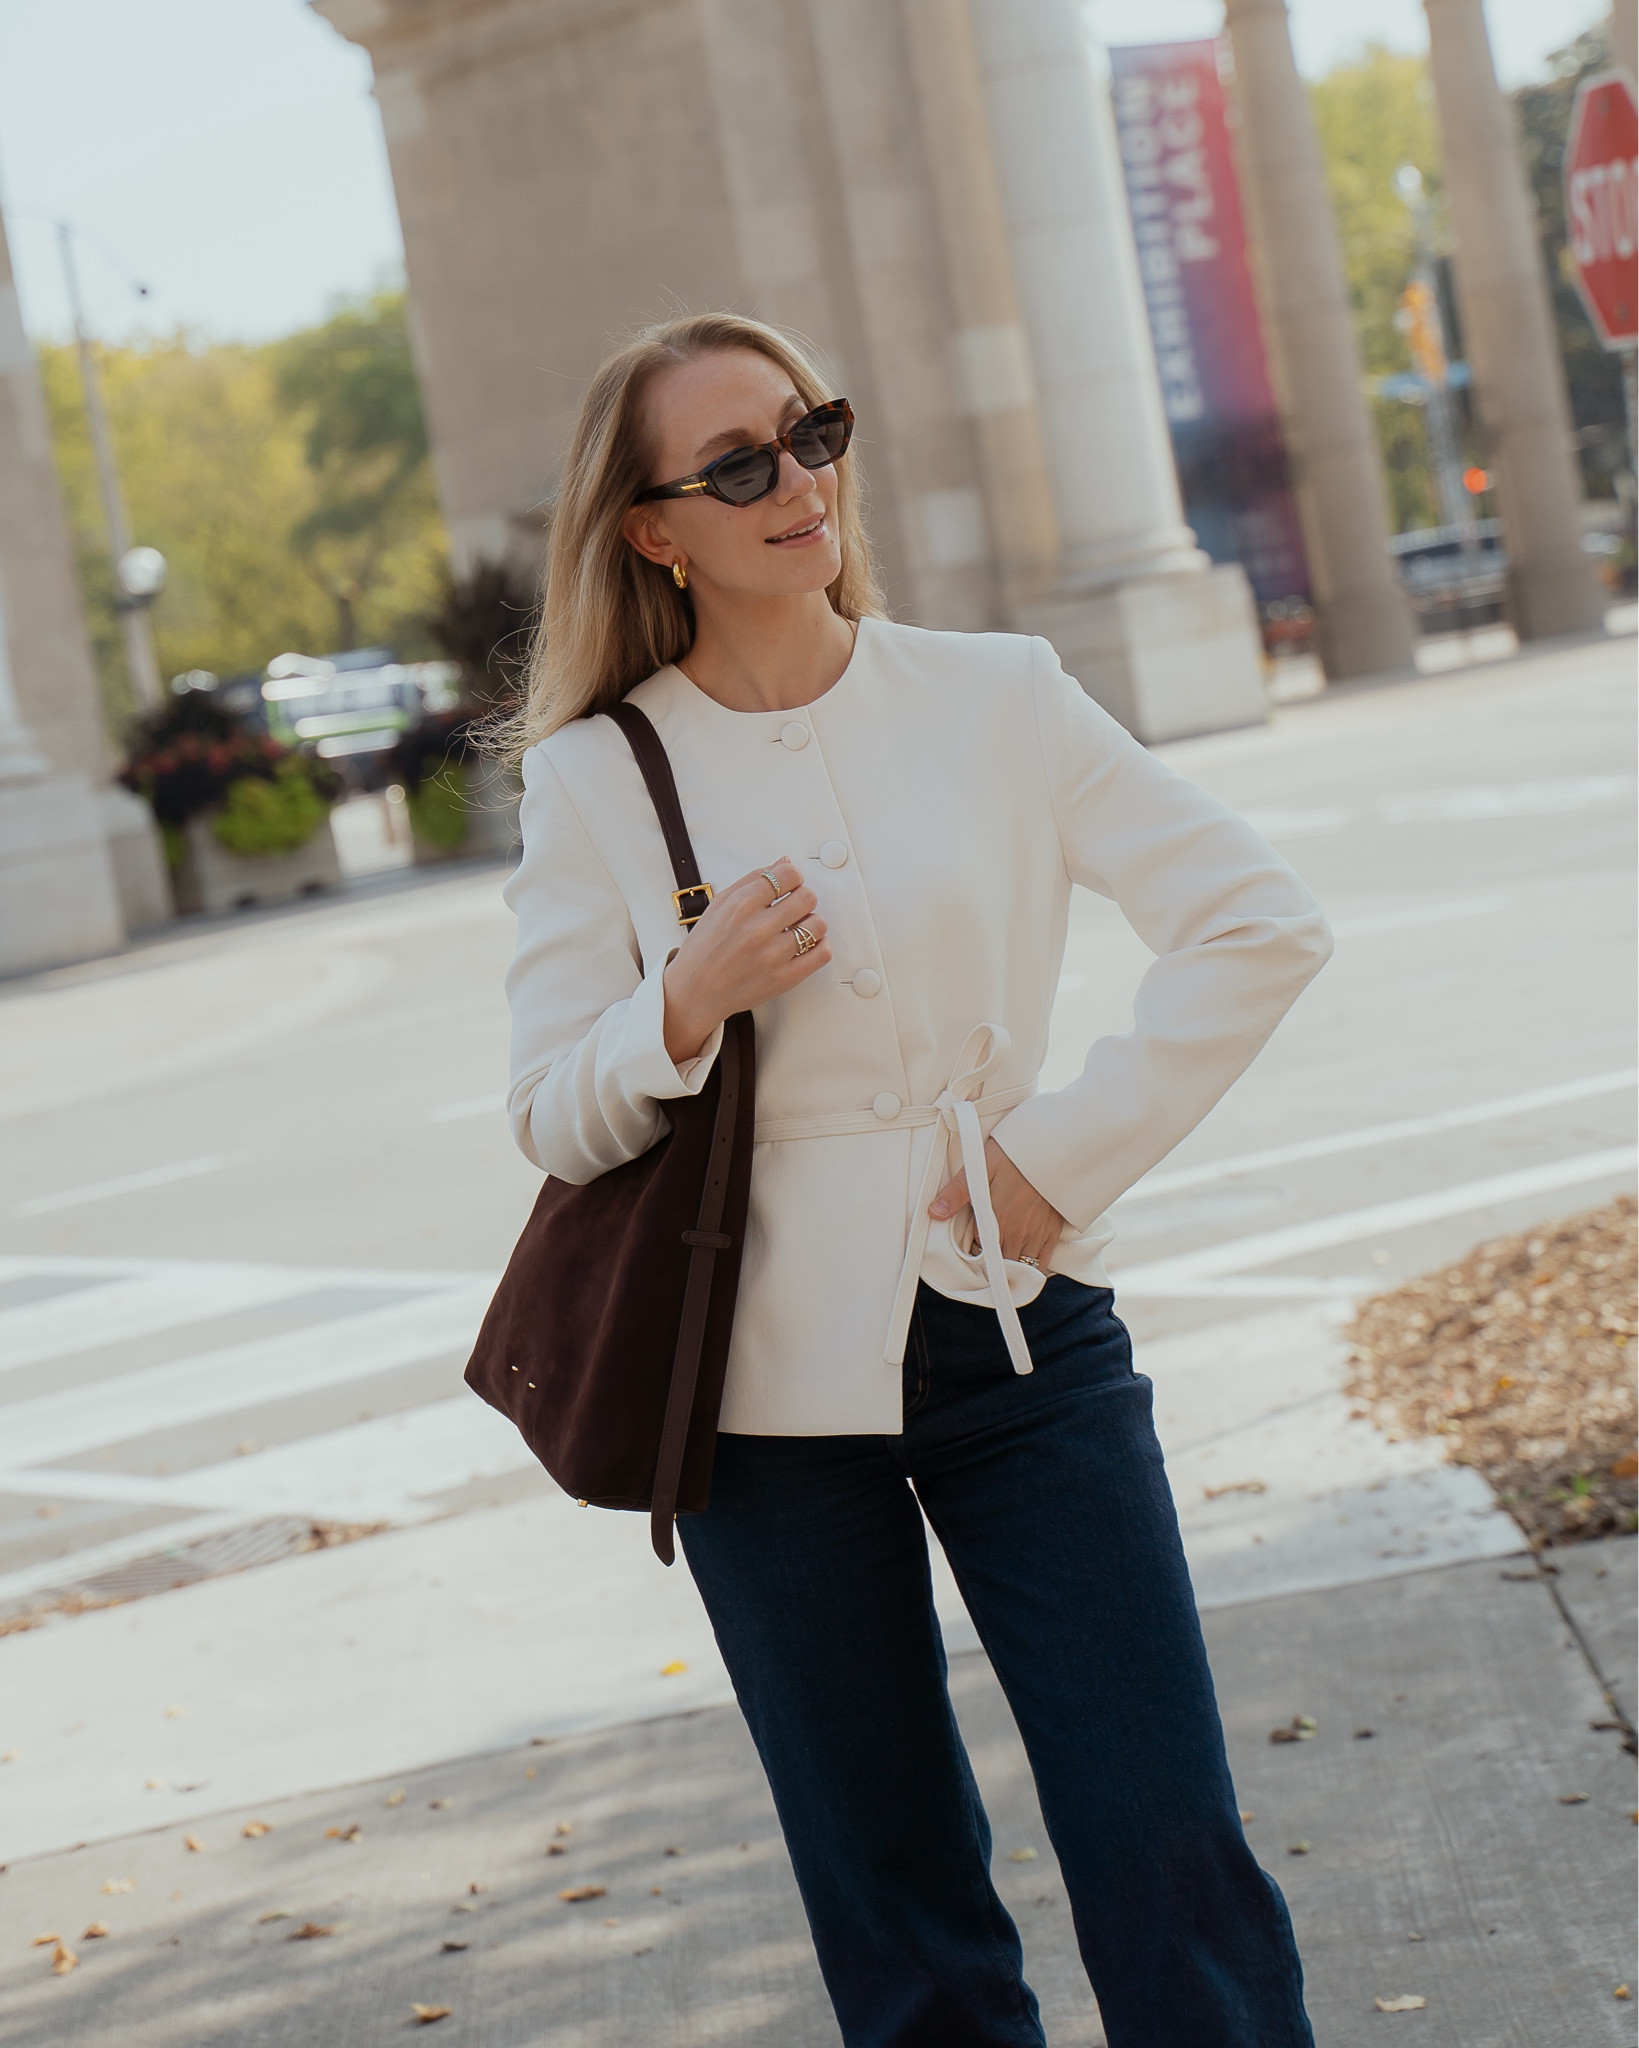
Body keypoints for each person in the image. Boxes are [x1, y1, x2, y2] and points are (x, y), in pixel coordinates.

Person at [499, 312, 1330, 2048]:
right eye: (739, 464)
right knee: (896, 1905)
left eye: (812, 433)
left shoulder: (995, 693)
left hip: (1024, 1337)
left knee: (1167, 1847)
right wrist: (682, 1002)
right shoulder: (595, 777)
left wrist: (1056, 1157)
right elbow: (553, 1117)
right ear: (653, 529)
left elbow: (1258, 921)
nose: (796, 481)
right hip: (756, 1402)